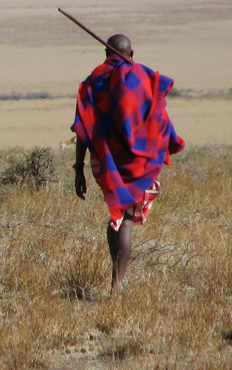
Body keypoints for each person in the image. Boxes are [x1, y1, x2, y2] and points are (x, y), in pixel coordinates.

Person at [71, 34, 185, 295]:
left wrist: (79, 168)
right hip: (139, 162)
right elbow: (159, 117)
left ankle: (117, 279)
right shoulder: (142, 80)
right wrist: (167, 142)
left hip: (105, 161)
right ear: (131, 54)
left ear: (105, 52)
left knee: (117, 215)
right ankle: (117, 284)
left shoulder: (93, 82)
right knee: (126, 221)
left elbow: (84, 128)